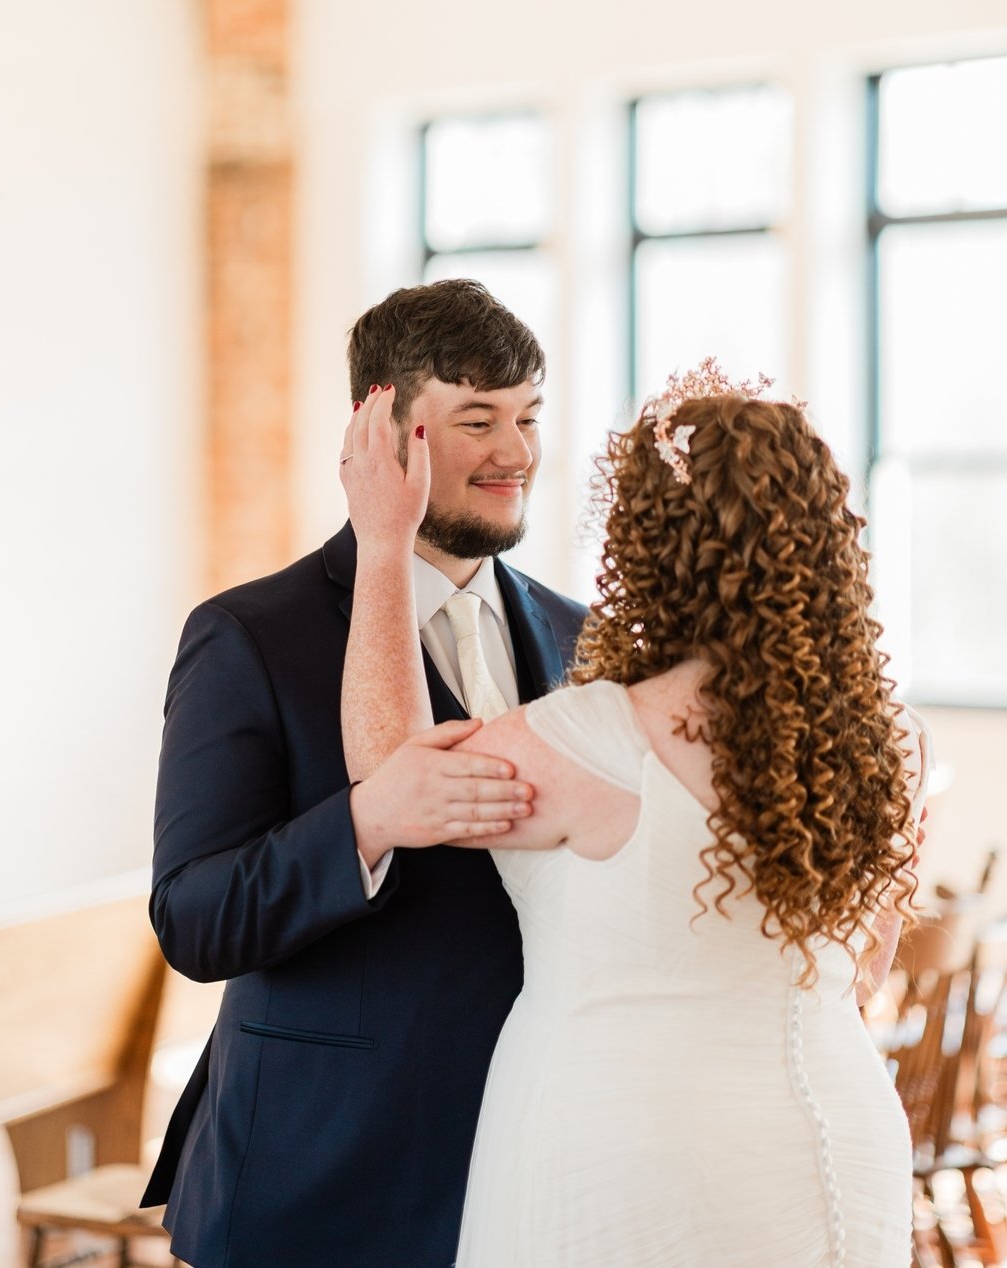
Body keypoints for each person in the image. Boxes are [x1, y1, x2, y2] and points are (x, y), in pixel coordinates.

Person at [340, 358, 930, 1267]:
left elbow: (396, 779)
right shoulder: (891, 742)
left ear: (647, 546)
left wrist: (382, 544)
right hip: (847, 1137)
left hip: (636, 1157)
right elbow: (866, 971)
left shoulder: (585, 743)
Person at [141, 280, 587, 1267]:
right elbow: (195, 913)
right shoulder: (250, 636)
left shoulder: (578, 634)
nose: (516, 453)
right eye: (478, 420)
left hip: (522, 1171)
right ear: (386, 429)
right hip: (317, 1171)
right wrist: (365, 823)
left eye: (528, 417)